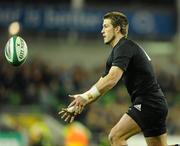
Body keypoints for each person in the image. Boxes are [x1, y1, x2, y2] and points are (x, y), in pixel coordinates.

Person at [59, 11, 179, 146]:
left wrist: (85, 97)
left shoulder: (124, 47)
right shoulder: (118, 52)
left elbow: (112, 79)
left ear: (117, 29)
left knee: (115, 137)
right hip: (155, 104)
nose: (101, 31)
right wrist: (82, 100)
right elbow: (102, 83)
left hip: (148, 103)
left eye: (105, 26)